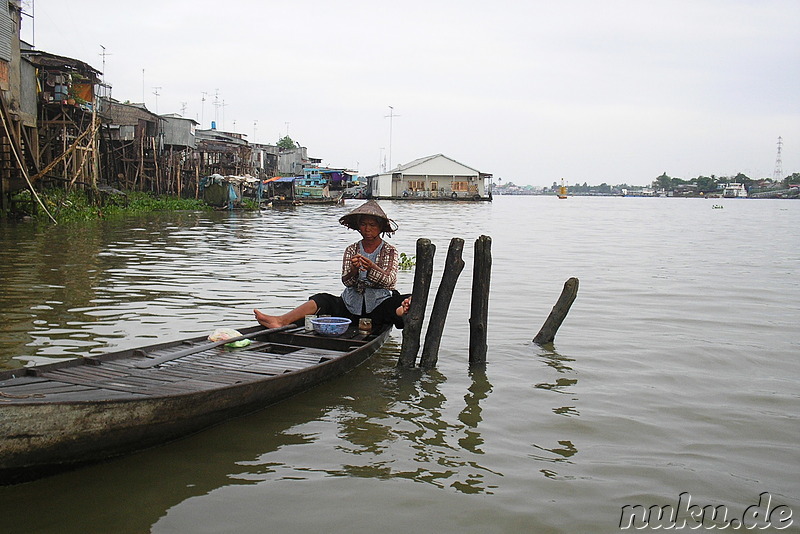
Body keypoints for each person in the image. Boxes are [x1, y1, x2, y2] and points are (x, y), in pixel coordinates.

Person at [254, 200, 411, 331]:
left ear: (380, 227)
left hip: (378, 305)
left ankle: (401, 310)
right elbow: (346, 282)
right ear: (358, 226)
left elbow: (389, 281)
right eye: (363, 224)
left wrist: (371, 267)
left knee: (401, 300)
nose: (367, 229)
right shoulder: (352, 249)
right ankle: (281, 321)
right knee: (322, 300)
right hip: (350, 305)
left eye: (372, 225)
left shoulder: (389, 251)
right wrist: (355, 270)